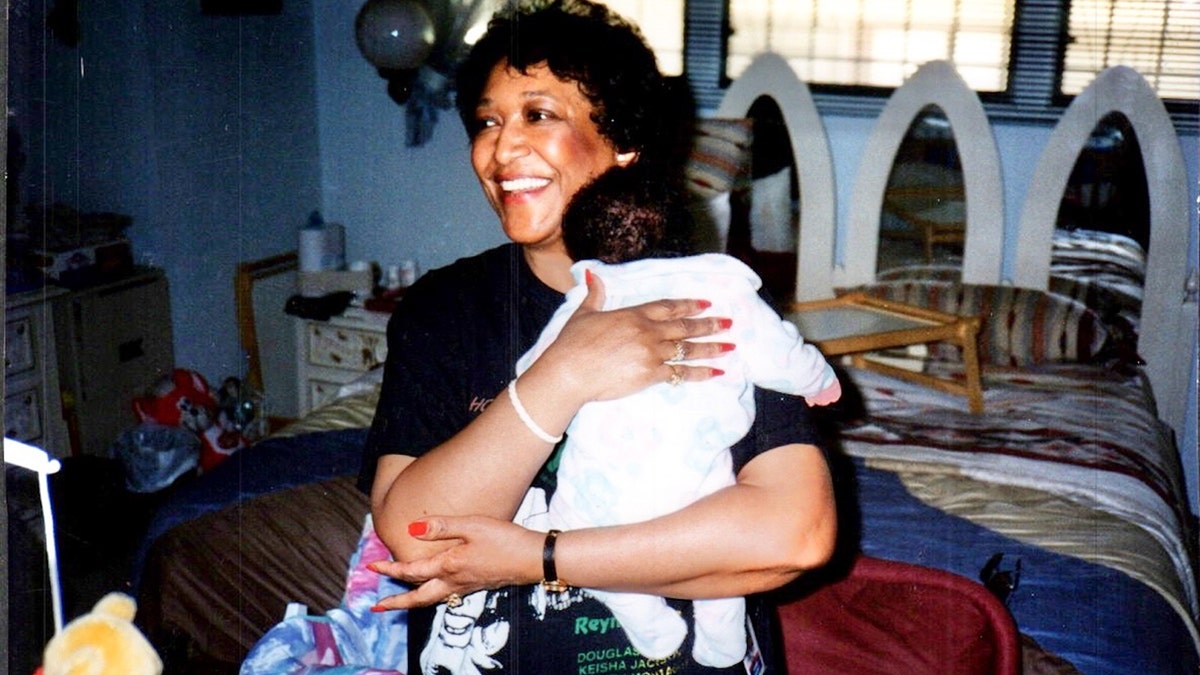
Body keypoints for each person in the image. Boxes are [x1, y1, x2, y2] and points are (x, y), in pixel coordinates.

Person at [359, 2, 838, 673]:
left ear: (624, 145)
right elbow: (413, 538)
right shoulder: (446, 308)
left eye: (538, 114)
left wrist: (534, 557)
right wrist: (563, 375)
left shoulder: (703, 298)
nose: (501, 148)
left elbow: (795, 534)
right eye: (488, 121)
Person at [519, 163, 841, 667]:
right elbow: (783, 354)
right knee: (722, 555)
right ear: (688, 234)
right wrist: (819, 381)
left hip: (603, 498)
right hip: (694, 497)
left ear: (578, 255)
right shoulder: (725, 290)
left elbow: (531, 374)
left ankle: (649, 624)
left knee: (575, 536)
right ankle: (721, 639)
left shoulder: (585, 302)